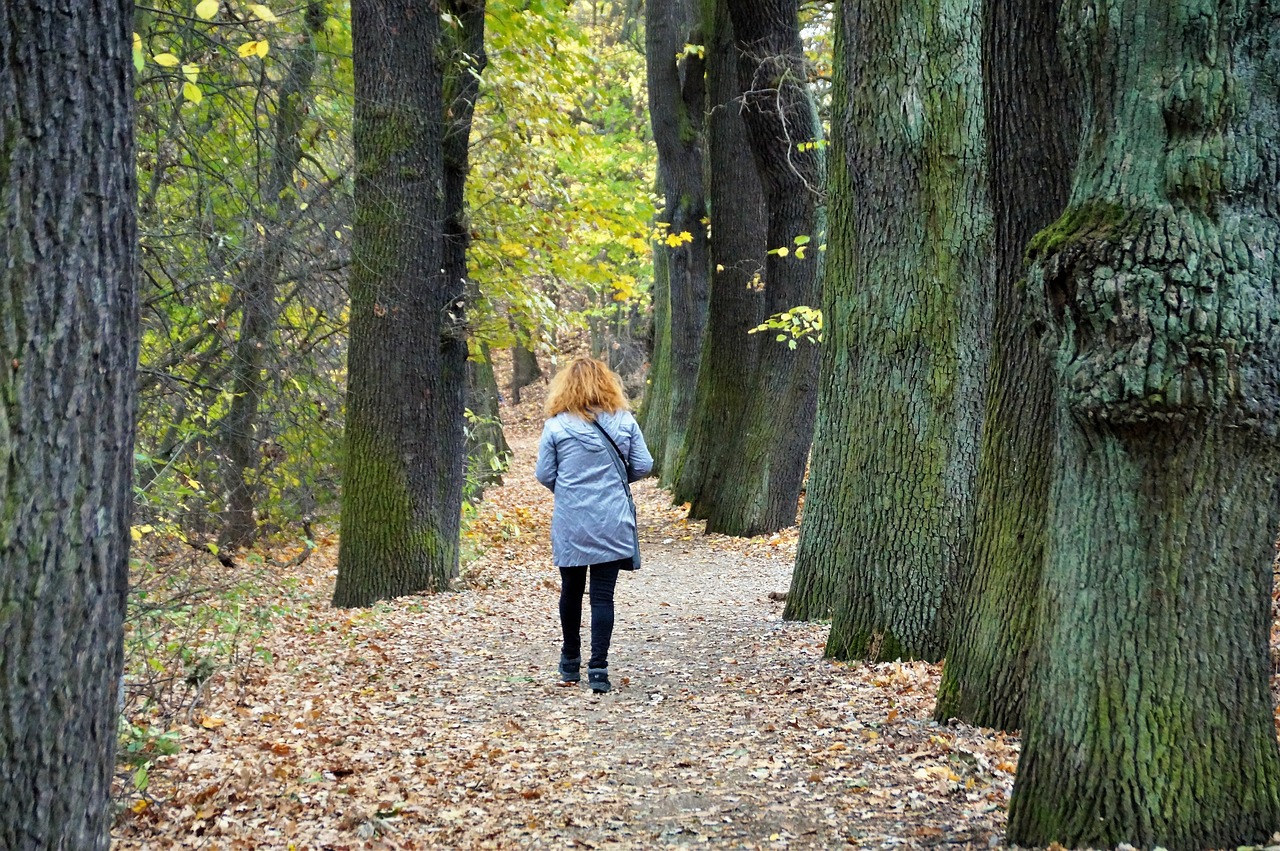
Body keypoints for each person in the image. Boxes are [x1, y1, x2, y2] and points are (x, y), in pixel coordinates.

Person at [534, 357, 653, 694]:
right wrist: (616, 483)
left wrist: (571, 488)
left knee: (570, 591)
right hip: (612, 518)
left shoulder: (556, 426)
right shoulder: (624, 420)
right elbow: (643, 464)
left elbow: (544, 474)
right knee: (603, 597)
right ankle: (598, 669)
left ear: (565, 387)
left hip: (572, 520)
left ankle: (569, 663)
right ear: (607, 384)